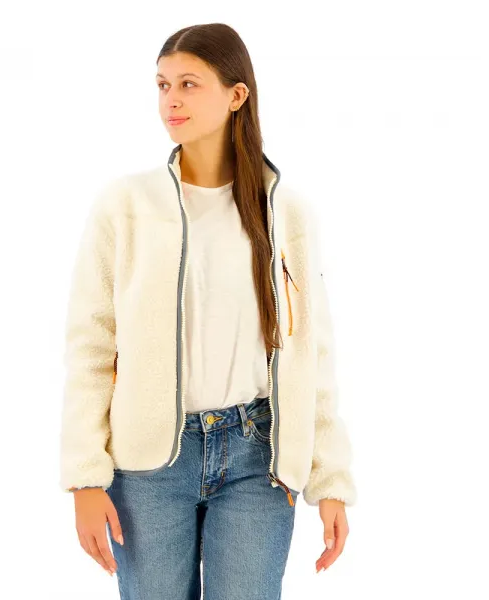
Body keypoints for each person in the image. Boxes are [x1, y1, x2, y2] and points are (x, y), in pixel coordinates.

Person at [59, 22, 357, 600]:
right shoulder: (124, 206)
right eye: (163, 84)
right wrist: (85, 478)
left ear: (236, 94)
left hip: (257, 457)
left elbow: (312, 354)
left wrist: (332, 480)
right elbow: (91, 346)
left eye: (189, 84)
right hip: (148, 465)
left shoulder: (286, 213)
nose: (171, 100)